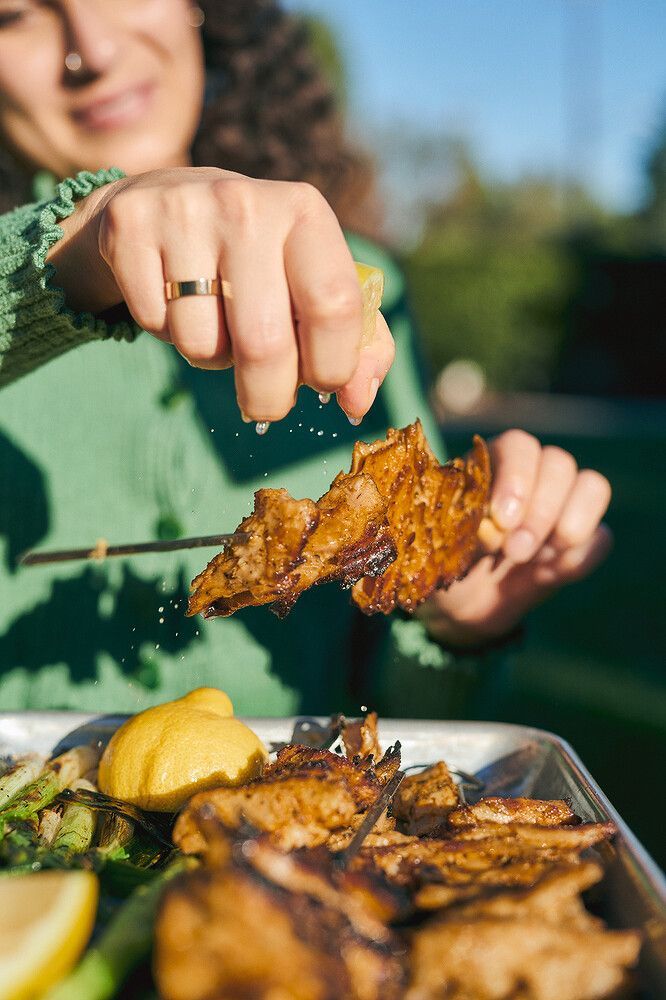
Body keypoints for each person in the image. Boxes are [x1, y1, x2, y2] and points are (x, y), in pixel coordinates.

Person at [0, 0, 611, 718]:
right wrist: (72, 248)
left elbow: (388, 714)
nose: (92, 48)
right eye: (12, 15)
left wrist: (456, 624)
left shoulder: (358, 288)